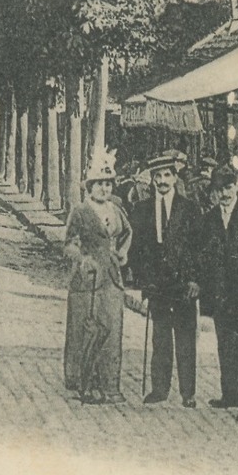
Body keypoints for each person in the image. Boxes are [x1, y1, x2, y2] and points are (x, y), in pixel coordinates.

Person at [127, 151, 204, 407]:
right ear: (151, 179)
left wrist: (195, 280)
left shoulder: (190, 209)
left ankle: (188, 392)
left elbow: (198, 248)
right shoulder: (141, 209)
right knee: (160, 338)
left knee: (185, 338)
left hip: (183, 284)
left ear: (175, 177)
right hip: (157, 284)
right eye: (157, 176)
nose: (162, 180)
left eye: (167, 175)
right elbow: (137, 250)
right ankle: (159, 389)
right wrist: (143, 282)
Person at [63, 153, 134, 404]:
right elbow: (69, 244)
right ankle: (84, 384)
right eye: (99, 183)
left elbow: (127, 233)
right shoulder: (80, 211)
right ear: (89, 185)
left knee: (112, 329)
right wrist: (83, 260)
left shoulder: (116, 210)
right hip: (88, 280)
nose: (104, 188)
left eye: (108, 184)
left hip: (112, 277)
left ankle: (110, 385)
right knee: (86, 330)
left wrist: (123, 253)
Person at [198, 167, 238, 410]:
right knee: (224, 343)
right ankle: (229, 393)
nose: (224, 194)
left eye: (228, 187)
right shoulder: (209, 219)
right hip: (220, 292)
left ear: (237, 188)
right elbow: (204, 256)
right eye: (219, 189)